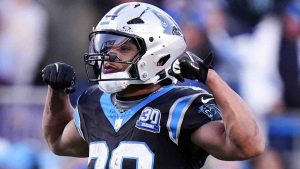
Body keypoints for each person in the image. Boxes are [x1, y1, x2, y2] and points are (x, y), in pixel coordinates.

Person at [41, 2, 265, 169]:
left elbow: (248, 145)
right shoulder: (94, 101)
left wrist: (211, 78)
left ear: (157, 56)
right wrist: (57, 93)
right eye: (106, 46)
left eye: (124, 48)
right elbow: (58, 142)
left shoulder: (181, 105)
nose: (109, 55)